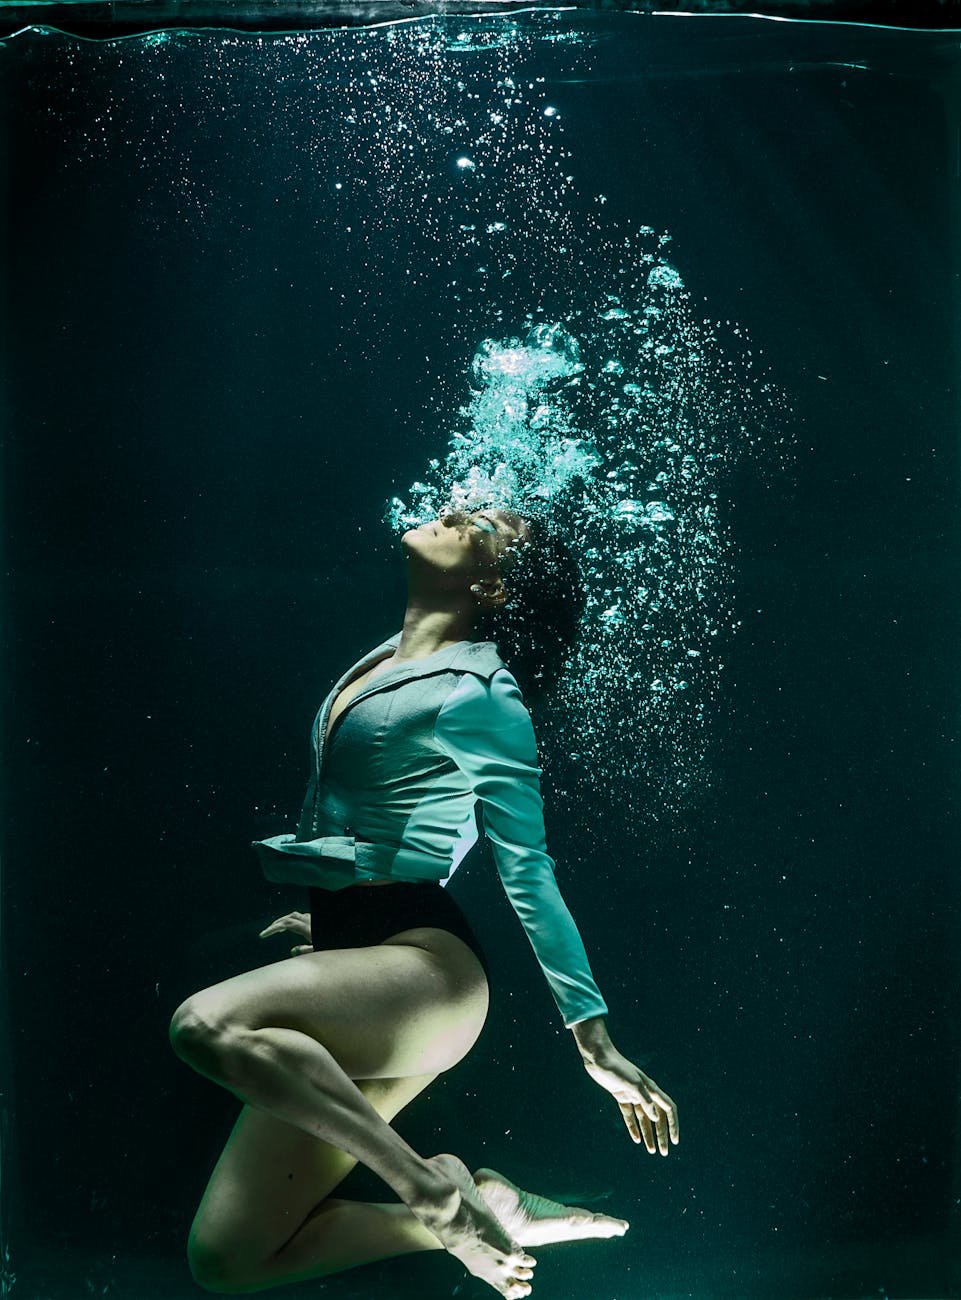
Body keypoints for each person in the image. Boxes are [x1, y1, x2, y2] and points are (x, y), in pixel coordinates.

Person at [169, 506, 679, 1299]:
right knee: (229, 1258)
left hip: (428, 978)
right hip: (368, 954)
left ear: (493, 585)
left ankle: (434, 1196)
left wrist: (593, 1038)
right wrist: (342, 902)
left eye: (483, 526)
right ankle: (491, 1210)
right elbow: (445, 813)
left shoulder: (483, 693)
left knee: (206, 1024)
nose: (453, 512)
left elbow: (526, 864)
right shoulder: (389, 657)